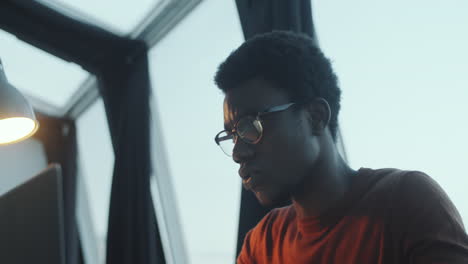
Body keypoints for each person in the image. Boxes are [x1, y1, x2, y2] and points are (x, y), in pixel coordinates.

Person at [213, 31, 468, 263]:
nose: (238, 153)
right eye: (232, 135)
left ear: (315, 117)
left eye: (251, 126)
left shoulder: (405, 202)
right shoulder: (262, 246)